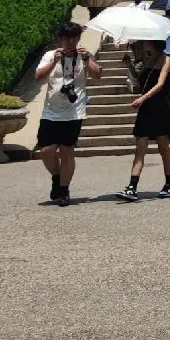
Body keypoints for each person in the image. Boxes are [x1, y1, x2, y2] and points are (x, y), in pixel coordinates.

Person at [35, 21, 101, 207]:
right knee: (46, 151)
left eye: (74, 38)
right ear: (60, 39)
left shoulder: (84, 55)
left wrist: (88, 59)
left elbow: (97, 75)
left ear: (79, 38)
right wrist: (54, 61)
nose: (70, 42)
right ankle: (57, 177)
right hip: (51, 111)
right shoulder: (50, 55)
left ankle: (64, 190)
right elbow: (39, 78)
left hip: (74, 111)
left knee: (67, 151)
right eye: (66, 38)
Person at [120, 39, 170, 200]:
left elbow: (160, 84)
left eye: (146, 41)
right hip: (146, 107)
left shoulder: (166, 59)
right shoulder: (148, 58)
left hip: (161, 107)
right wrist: (129, 65)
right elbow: (141, 81)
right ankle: (132, 187)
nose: (143, 43)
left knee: (163, 147)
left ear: (154, 42)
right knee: (140, 147)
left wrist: (142, 99)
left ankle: (168, 185)